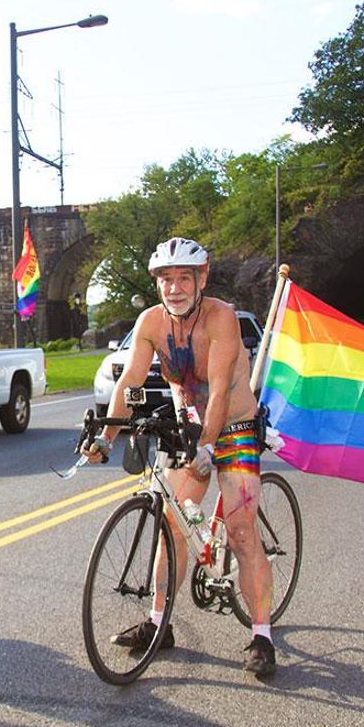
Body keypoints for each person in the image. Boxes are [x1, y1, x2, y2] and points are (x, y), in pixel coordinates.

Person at [84, 237, 276, 677]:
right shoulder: (151, 321)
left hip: (234, 425)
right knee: (170, 521)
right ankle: (158, 624)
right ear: (157, 285)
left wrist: (208, 444)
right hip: (187, 424)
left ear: (201, 279)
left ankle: (262, 636)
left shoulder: (221, 318)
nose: (174, 288)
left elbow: (221, 387)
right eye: (166, 280)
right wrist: (108, 435)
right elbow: (131, 380)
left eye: (183, 279)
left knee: (243, 531)